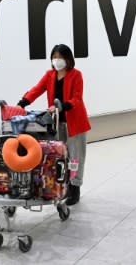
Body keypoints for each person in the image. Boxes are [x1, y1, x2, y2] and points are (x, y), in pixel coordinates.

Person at [17, 44, 91, 205]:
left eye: (60, 57)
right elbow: (37, 89)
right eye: (54, 57)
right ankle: (63, 185)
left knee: (75, 157)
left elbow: (77, 98)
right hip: (57, 123)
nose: (57, 60)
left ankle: (75, 188)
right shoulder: (49, 75)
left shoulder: (76, 75)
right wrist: (22, 102)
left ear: (68, 59)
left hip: (75, 123)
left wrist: (62, 106)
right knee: (60, 156)